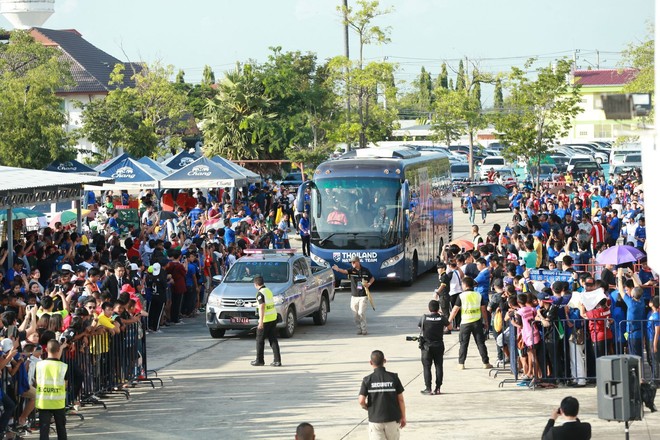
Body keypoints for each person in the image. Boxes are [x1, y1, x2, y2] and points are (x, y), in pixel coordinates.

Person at [358, 350, 406, 440]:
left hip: (375, 420)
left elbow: (361, 400)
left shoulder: (367, 380)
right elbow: (401, 400)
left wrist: (366, 407)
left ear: (370, 362)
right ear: (384, 361)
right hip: (392, 419)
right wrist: (403, 417)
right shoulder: (394, 377)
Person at [447, 276, 492, 369]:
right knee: (480, 343)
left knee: (463, 344)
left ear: (464, 285)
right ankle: (486, 363)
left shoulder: (461, 296)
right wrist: (486, 321)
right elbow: (483, 310)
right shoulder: (478, 295)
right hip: (477, 322)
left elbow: (455, 310)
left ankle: (461, 364)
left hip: (465, 323)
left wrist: (449, 322)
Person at [332, 256, 375, 335]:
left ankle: (364, 329)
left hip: (363, 296)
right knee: (355, 314)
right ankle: (359, 329)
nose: (352, 264)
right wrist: (338, 269)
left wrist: (369, 284)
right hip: (354, 296)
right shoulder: (351, 270)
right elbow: (344, 271)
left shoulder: (365, 270)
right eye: (351, 263)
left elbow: (372, 278)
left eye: (354, 262)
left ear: (358, 262)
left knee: (361, 312)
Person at [36, 340, 68, 440]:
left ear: (46, 349)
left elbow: (36, 381)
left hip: (43, 402)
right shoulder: (63, 366)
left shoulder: (39, 365)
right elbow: (65, 384)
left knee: (44, 430)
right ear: (59, 350)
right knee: (61, 429)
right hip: (58, 403)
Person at [418, 300, 450, 395]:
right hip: (439, 345)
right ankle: (438, 388)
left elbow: (420, 327)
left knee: (427, 367)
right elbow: (450, 327)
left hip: (427, 346)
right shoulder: (442, 318)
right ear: (438, 308)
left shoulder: (424, 318)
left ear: (429, 308)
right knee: (439, 366)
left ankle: (428, 388)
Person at [251, 275, 281, 367]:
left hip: (265, 320)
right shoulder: (268, 291)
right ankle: (277, 360)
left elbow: (262, 306)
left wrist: (260, 321)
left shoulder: (260, 293)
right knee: (273, 340)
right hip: (273, 318)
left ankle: (259, 360)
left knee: (259, 340)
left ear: (256, 284)